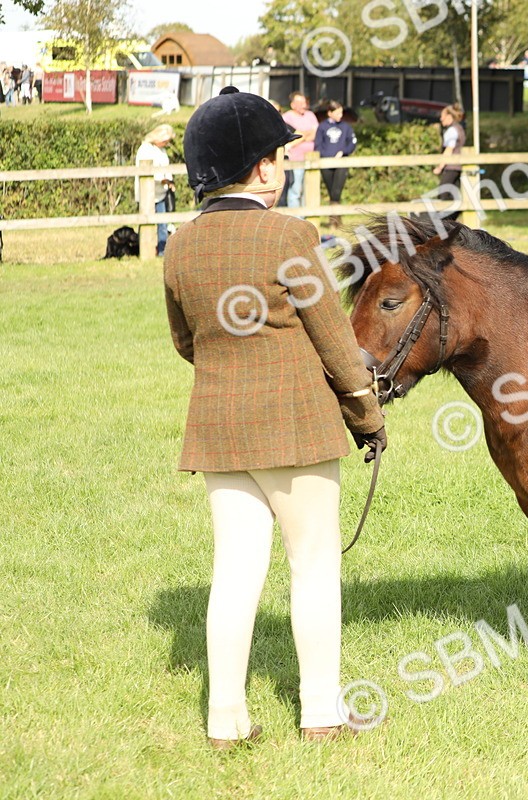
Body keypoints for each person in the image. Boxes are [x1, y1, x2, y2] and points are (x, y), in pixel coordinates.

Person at [164, 86, 386, 748]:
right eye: (280, 156)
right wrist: (368, 417)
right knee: (313, 563)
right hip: (295, 426)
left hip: (218, 428)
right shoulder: (290, 234)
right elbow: (338, 346)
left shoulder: (179, 244)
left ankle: (224, 722)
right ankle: (321, 713)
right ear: (260, 167)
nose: (284, 166)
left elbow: (185, 341)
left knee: (236, 570)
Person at [136, 124, 176, 256]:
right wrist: (163, 179)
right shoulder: (145, 149)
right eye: (165, 140)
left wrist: (169, 181)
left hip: (161, 193)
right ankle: (142, 249)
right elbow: (146, 169)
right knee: (145, 224)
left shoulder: (162, 150)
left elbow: (166, 166)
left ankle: (162, 251)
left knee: (163, 223)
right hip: (147, 193)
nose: (166, 143)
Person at [315, 100, 356, 229]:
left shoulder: (346, 127)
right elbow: (317, 145)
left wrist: (344, 152)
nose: (340, 115)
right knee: (331, 190)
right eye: (337, 113)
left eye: (341, 112)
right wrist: (325, 156)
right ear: (330, 113)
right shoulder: (322, 127)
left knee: (336, 191)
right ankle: (336, 219)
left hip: (341, 163)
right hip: (326, 163)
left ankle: (334, 220)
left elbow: (352, 142)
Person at [282, 92, 319, 208]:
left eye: (305, 102)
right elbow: (289, 137)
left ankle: (308, 216)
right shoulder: (286, 117)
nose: (304, 105)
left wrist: (301, 135)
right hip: (295, 159)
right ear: (293, 105)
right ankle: (296, 218)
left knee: (309, 190)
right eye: (300, 103)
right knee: (296, 189)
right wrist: (306, 133)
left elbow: (315, 134)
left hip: (312, 159)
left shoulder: (310, 115)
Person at [433, 103, 466, 221]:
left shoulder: (452, 130)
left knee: (444, 194)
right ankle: (449, 221)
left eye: (443, 116)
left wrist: (440, 166)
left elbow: (449, 150)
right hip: (457, 167)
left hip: (451, 167)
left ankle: (445, 222)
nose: (441, 119)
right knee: (454, 196)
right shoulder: (458, 128)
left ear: (449, 117)